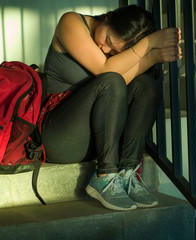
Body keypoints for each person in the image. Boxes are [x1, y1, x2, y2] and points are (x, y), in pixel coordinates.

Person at [39, 5, 182, 211]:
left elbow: (119, 84)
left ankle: (127, 174)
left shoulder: (112, 64)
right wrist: (149, 47)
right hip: (58, 136)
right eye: (107, 41)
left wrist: (149, 57)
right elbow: (106, 72)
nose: (106, 50)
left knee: (145, 85)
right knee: (111, 80)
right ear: (108, 17)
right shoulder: (71, 22)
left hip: (94, 140)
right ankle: (104, 176)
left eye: (115, 51)